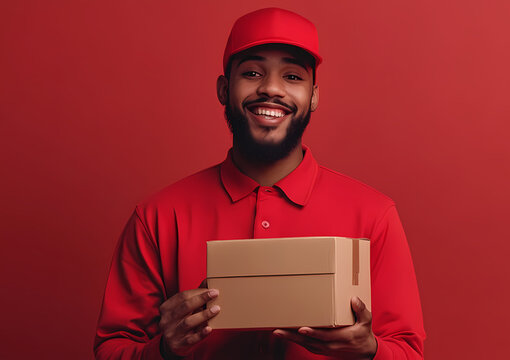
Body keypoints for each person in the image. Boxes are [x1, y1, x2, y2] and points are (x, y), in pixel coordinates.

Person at [94, 8, 425, 360]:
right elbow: (111, 349)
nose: (270, 88)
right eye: (252, 73)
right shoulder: (158, 217)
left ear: (313, 96)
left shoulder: (374, 215)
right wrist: (162, 349)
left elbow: (408, 352)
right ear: (224, 88)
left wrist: (369, 350)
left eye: (293, 76)